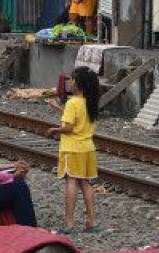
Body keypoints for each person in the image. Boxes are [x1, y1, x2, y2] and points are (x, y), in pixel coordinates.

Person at [46, 66, 100, 233]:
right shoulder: (89, 102)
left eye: (71, 79)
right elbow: (76, 120)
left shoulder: (72, 102)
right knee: (85, 183)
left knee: (71, 182)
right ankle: (91, 222)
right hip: (88, 148)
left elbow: (69, 128)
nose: (69, 82)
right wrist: (58, 109)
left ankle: (69, 223)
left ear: (78, 83)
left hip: (72, 148)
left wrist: (54, 130)